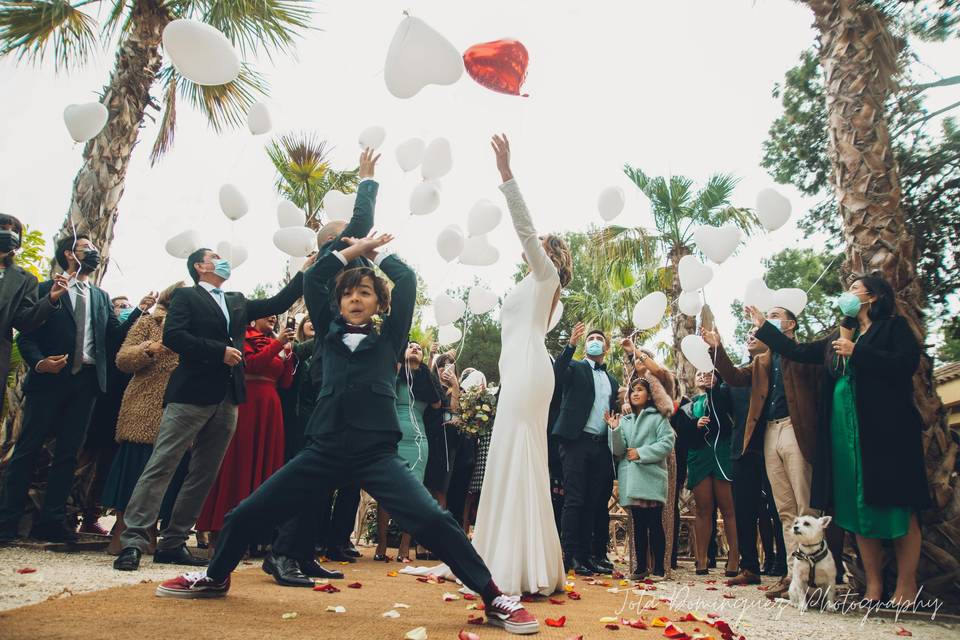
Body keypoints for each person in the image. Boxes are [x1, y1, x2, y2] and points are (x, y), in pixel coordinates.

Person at [156, 233, 540, 636]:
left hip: (376, 453)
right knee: (247, 513)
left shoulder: (389, 340)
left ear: (379, 304)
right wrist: (353, 250)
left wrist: (378, 255)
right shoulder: (326, 333)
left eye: (365, 293)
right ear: (337, 303)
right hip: (324, 448)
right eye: (348, 294)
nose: (355, 299)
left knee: (434, 518)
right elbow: (315, 277)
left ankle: (493, 595)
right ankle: (216, 577)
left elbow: (406, 281)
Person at [112, 244, 310, 571]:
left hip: (228, 397)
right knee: (163, 462)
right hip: (190, 393)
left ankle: (174, 542)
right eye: (215, 258)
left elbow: (278, 302)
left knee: (204, 472)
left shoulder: (236, 301)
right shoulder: (187, 298)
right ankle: (133, 540)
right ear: (200, 267)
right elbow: (175, 336)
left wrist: (306, 269)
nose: (223, 262)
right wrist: (219, 351)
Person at [744, 275, 929, 605]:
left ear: (873, 296)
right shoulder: (838, 336)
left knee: (899, 505)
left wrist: (858, 352)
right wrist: (764, 326)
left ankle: (906, 585)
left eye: (855, 289)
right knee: (857, 508)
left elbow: (905, 364)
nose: (849, 294)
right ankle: (872, 586)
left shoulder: (893, 327)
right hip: (844, 434)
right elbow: (797, 351)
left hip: (885, 432)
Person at [460, 133, 570, 595]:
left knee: (521, 451)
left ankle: (521, 564)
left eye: (541, 247)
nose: (532, 250)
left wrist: (506, 175)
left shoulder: (545, 278)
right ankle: (502, 556)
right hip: (519, 372)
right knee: (509, 452)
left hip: (528, 372)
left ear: (550, 255)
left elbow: (525, 229)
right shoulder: (534, 288)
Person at [265, 148, 381, 585]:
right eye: (350, 240)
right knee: (307, 473)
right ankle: (282, 553)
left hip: (338, 392)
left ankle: (303, 550)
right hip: (317, 391)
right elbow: (358, 228)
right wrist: (367, 181)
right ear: (337, 244)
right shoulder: (327, 278)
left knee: (325, 478)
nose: (360, 243)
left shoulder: (350, 280)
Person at [0, 234, 150, 543]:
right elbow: (25, 336)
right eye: (87, 248)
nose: (94, 253)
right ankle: (7, 521)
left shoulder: (99, 296)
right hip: (49, 380)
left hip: (87, 383)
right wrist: (40, 363)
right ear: (69, 254)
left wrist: (139, 312)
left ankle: (52, 521)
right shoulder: (44, 289)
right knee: (27, 449)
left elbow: (113, 336)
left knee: (69, 453)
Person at [701, 304, 822, 599]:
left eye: (775, 316)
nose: (768, 321)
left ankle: (813, 577)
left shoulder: (803, 353)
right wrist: (717, 349)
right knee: (785, 510)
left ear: (791, 325)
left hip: (796, 429)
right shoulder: (764, 362)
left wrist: (763, 325)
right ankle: (794, 576)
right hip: (770, 432)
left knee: (805, 506)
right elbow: (734, 377)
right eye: (767, 317)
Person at [101, 281, 186, 554]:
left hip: (179, 409)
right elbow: (123, 359)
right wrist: (149, 349)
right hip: (144, 407)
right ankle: (124, 532)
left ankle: (151, 531)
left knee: (168, 472)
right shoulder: (150, 323)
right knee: (135, 470)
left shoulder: (195, 327)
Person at [196, 314, 295, 540]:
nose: (272, 317)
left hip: (271, 407)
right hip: (247, 402)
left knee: (266, 466)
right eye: (268, 313)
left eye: (275, 316)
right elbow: (251, 364)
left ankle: (256, 534)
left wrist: (288, 357)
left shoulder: (277, 342)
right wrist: (277, 343)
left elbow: (286, 382)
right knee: (238, 461)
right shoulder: (244, 337)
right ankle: (220, 528)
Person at [553, 322, 620, 577]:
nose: (594, 340)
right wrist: (570, 345)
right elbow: (557, 375)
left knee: (594, 502)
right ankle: (571, 555)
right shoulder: (575, 367)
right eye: (590, 337)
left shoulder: (612, 380)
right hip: (575, 441)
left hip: (601, 445)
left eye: (598, 338)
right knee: (575, 499)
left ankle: (589, 554)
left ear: (606, 346)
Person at [724, 329, 785, 585]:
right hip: (743, 449)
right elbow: (724, 412)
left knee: (780, 508)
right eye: (746, 335)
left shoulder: (782, 370)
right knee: (744, 510)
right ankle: (749, 567)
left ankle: (784, 565)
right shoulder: (741, 375)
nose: (750, 337)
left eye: (755, 334)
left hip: (775, 444)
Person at [374, 341, 440, 562]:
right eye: (410, 346)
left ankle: (405, 547)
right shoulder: (395, 374)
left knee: (413, 493)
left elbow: (438, 404)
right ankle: (381, 545)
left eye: (418, 348)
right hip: (393, 436)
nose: (414, 349)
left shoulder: (425, 380)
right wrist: (398, 370)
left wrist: (427, 373)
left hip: (418, 440)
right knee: (387, 491)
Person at [606, 377, 675, 580]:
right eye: (632, 390)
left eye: (640, 390)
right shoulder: (624, 420)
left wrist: (641, 453)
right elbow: (617, 449)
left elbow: (667, 443)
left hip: (651, 477)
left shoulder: (659, 418)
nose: (635, 393)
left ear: (649, 395)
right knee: (637, 525)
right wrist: (614, 429)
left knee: (655, 524)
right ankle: (641, 568)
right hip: (632, 479)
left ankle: (660, 569)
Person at [0, 213, 67, 418]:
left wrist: (50, 300)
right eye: (4, 228)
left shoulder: (24, 280)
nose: (8, 233)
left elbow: (24, 321)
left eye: (14, 231)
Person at [680, 370, 739, 577]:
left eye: (708, 373)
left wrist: (715, 388)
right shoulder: (689, 404)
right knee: (703, 508)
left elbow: (727, 418)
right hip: (699, 455)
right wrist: (694, 425)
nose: (703, 376)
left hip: (722, 451)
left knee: (728, 508)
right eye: (698, 374)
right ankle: (701, 557)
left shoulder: (723, 394)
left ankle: (734, 557)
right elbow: (682, 432)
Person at [422, 351, 462, 515]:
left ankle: (438, 533)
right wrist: (431, 357)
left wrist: (455, 386)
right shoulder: (430, 386)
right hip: (427, 437)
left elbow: (454, 412)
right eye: (440, 366)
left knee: (439, 489)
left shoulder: (458, 390)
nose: (443, 370)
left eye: (448, 366)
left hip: (446, 444)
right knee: (424, 487)